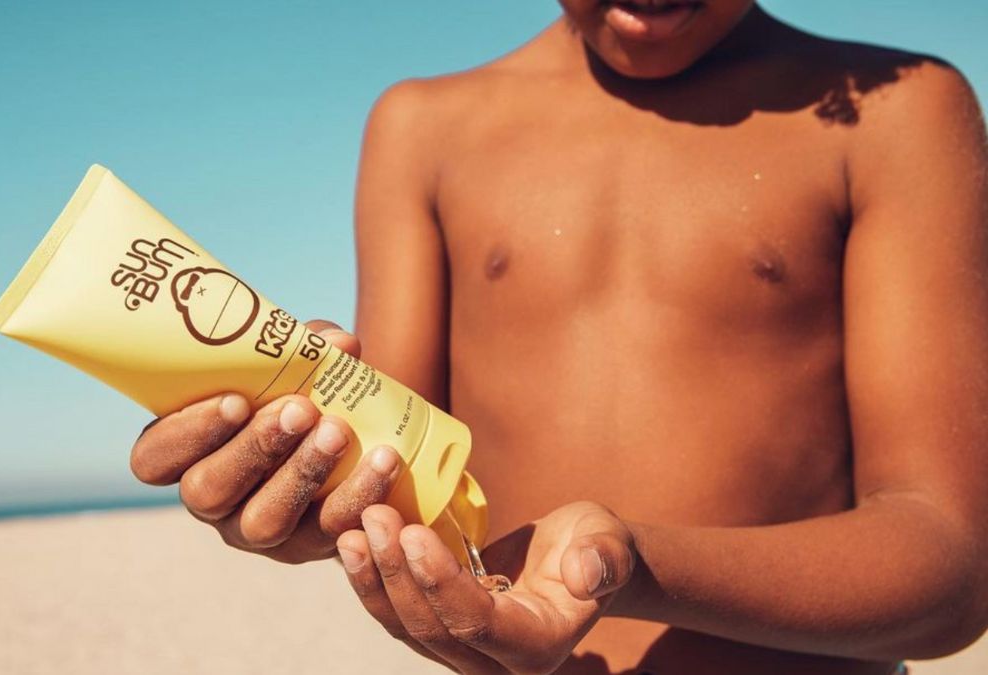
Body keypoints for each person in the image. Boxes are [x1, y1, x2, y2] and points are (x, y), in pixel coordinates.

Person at [128, 1, 988, 672]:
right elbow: (391, 488)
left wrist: (631, 564)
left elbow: (950, 566)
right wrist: (301, 479)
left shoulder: (898, 113)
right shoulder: (425, 129)